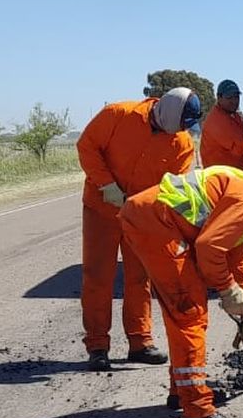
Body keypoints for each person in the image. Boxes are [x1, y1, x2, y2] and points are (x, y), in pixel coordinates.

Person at [119, 166, 243, 418]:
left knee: (183, 314)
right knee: (189, 313)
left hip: (152, 219)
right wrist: (227, 290)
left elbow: (236, 264)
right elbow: (208, 248)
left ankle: (182, 392)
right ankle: (196, 412)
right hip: (157, 223)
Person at [76, 88, 200, 372]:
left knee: (140, 278)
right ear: (167, 113)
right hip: (101, 209)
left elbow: (173, 188)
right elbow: (87, 146)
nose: (182, 131)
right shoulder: (118, 115)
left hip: (141, 218)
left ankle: (140, 342)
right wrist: (106, 185)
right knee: (98, 276)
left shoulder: (182, 144)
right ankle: (97, 346)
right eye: (181, 124)